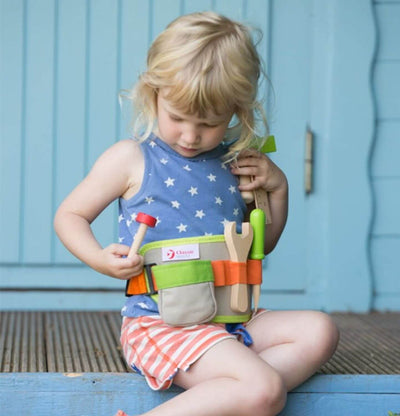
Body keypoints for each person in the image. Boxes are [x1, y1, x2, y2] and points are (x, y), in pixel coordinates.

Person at [54, 11, 339, 416]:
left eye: (208, 123)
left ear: (237, 111)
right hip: (162, 325)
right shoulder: (131, 158)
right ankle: (248, 391)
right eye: (177, 117)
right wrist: (100, 258)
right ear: (153, 94)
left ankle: (231, 393)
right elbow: (69, 215)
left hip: (230, 320)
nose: (190, 136)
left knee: (320, 331)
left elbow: (261, 246)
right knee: (265, 391)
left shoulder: (236, 163)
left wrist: (278, 190)